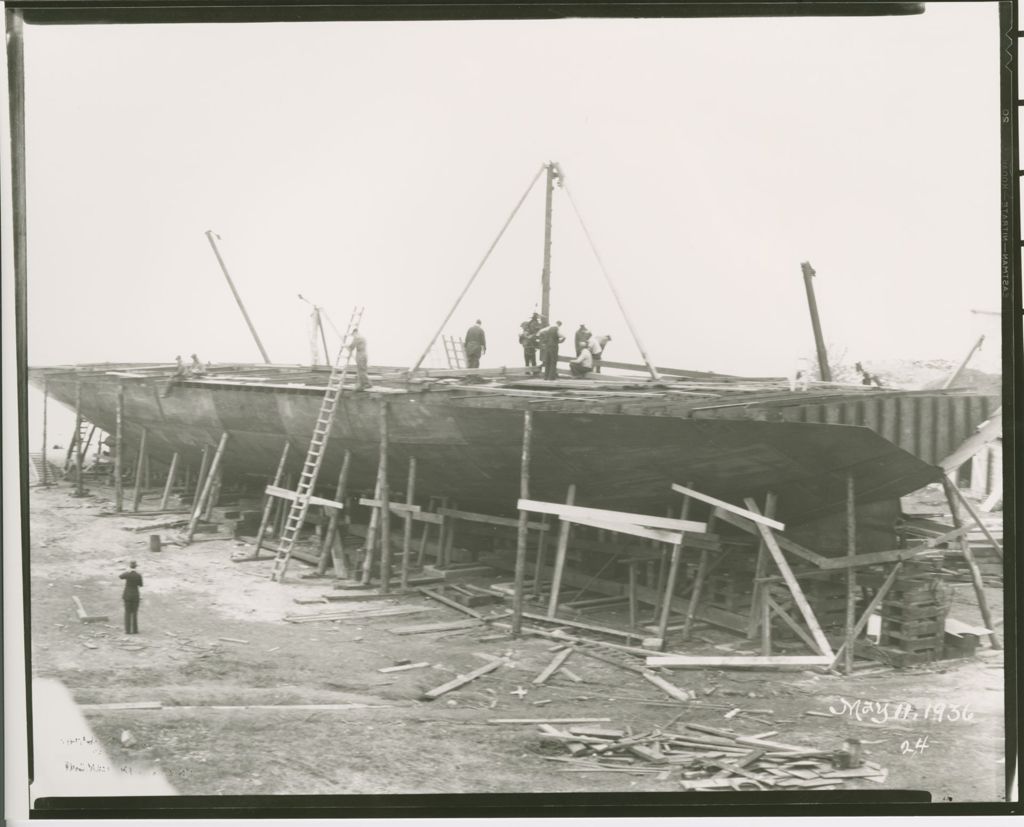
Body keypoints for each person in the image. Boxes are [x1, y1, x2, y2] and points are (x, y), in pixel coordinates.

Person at [119, 560, 143, 634]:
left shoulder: (127, 574)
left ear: (130, 566)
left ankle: (128, 630)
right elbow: (141, 585)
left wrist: (127, 571)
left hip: (127, 595)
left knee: (127, 612)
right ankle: (135, 630)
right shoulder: (138, 575)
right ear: (136, 566)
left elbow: (120, 576)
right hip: (135, 595)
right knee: (135, 613)